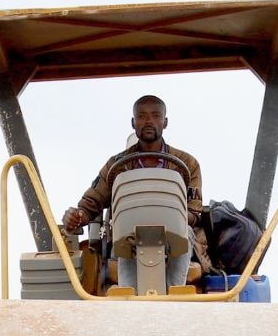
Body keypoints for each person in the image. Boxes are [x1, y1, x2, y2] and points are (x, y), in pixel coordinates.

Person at [62, 95, 202, 288]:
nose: (149, 121)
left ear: (165, 122)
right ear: (133, 122)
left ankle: (174, 295)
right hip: (128, 237)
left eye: (155, 115)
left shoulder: (187, 163)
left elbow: (194, 212)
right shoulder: (116, 165)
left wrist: (165, 216)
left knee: (184, 231)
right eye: (142, 116)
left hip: (174, 237)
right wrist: (77, 216)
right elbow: (91, 203)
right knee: (124, 232)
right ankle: (128, 297)